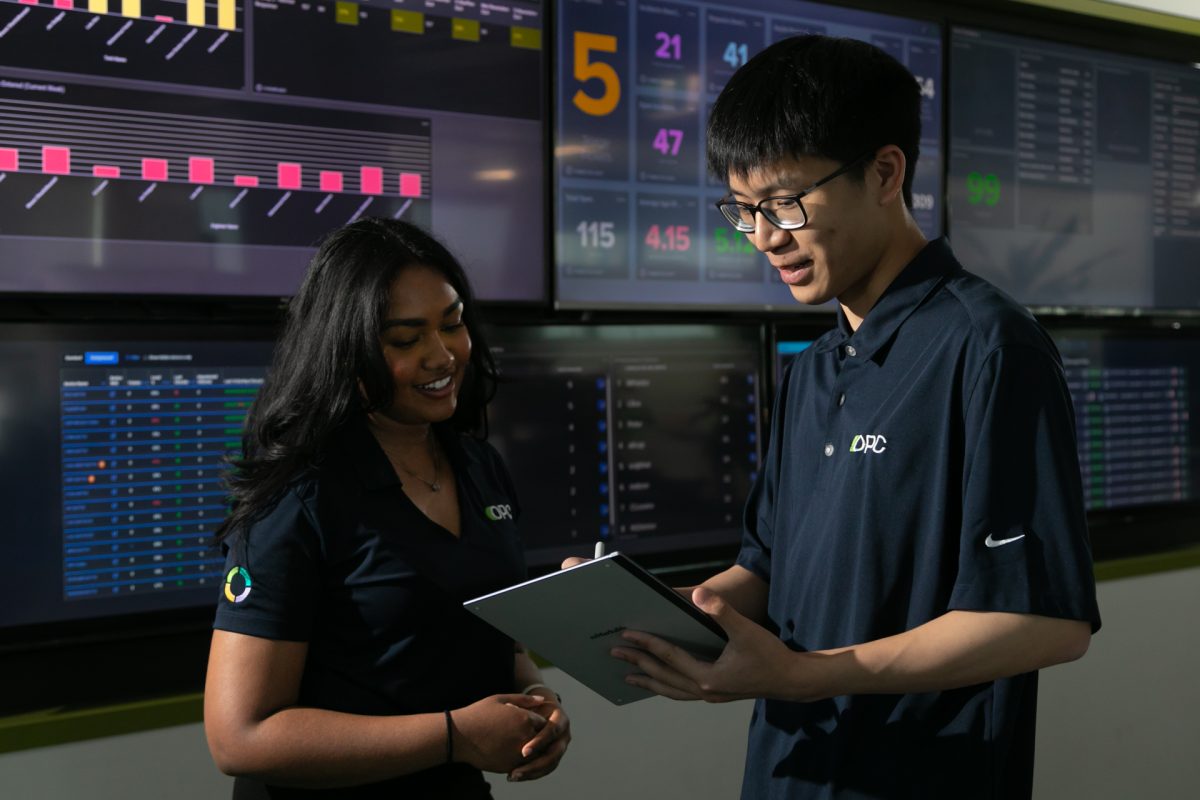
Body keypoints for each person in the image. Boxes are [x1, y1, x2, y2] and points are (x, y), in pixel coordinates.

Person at [596, 36, 1101, 799]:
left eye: (786, 204)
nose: (765, 237)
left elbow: (1046, 622)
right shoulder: (815, 369)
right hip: (789, 774)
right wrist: (660, 616)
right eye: (745, 210)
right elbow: (764, 571)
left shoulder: (991, 346)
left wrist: (805, 675)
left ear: (885, 172)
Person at [204, 217, 569, 798]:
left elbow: (489, 637)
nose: (443, 355)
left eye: (453, 325)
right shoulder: (300, 495)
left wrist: (535, 702)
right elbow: (240, 737)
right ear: (346, 350)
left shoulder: (479, 467)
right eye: (406, 339)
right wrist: (454, 736)